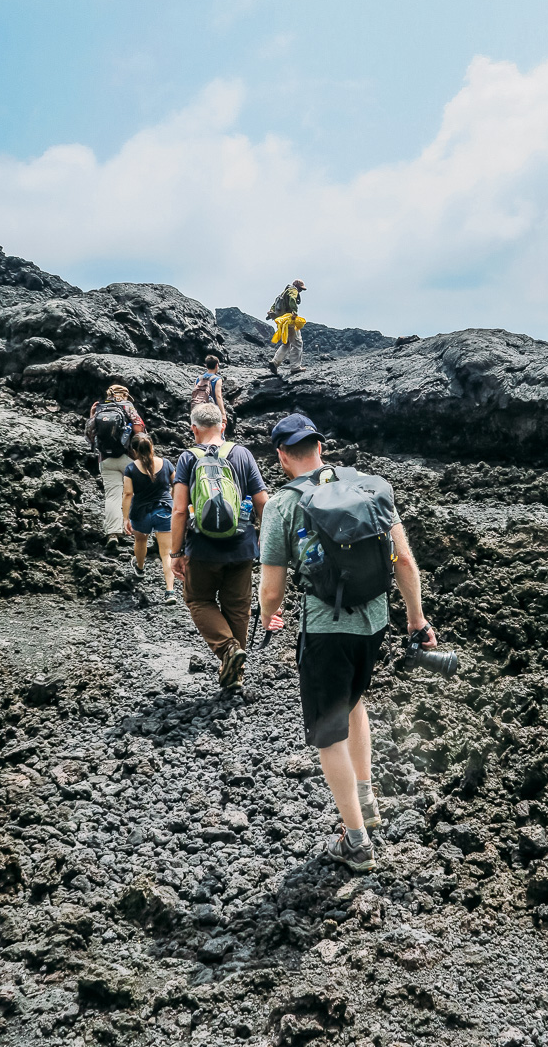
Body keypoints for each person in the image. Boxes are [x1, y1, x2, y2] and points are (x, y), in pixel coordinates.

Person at [258, 413, 436, 874]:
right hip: (375, 624)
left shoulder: (281, 505)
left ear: (281, 456)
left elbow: (272, 588)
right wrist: (417, 621)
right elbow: (405, 563)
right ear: (320, 446)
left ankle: (355, 841)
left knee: (327, 732)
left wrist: (266, 615)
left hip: (326, 630)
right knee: (355, 703)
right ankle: (367, 799)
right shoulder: (372, 488)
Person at [169, 402, 268, 688]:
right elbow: (263, 502)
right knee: (238, 606)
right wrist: (268, 540)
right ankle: (235, 675)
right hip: (242, 546)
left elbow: (178, 510)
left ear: (194, 429)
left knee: (198, 599)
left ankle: (227, 650)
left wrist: (175, 553)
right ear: (223, 425)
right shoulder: (242, 454)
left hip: (201, 548)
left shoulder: (188, 458)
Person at [85, 384, 146, 556]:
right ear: (125, 395)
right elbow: (138, 428)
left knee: (112, 495)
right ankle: (134, 531)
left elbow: (89, 433)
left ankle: (113, 533)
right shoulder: (127, 406)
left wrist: (92, 415)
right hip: (128, 458)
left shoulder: (99, 407)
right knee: (134, 493)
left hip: (106, 459)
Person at [121, 433, 177, 603]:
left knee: (140, 541)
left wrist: (125, 519)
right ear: (152, 446)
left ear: (134, 450)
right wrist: (172, 499)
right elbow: (177, 484)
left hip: (141, 512)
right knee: (166, 554)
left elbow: (128, 494)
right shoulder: (166, 464)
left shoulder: (131, 469)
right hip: (165, 511)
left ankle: (140, 568)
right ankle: (170, 592)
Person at [268, 279, 307, 375]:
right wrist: (294, 312)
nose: (301, 291)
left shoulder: (283, 292)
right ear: (297, 286)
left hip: (281, 321)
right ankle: (295, 367)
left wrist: (270, 313)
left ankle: (275, 362)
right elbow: (292, 299)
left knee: (287, 342)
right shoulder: (293, 290)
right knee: (297, 342)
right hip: (289, 320)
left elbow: (274, 306)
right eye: (300, 289)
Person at [190, 355, 227, 431]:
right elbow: (218, 396)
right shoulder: (217, 379)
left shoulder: (199, 379)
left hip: (200, 409)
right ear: (217, 365)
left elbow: (195, 394)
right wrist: (223, 414)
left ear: (206, 365)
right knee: (217, 433)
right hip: (213, 411)